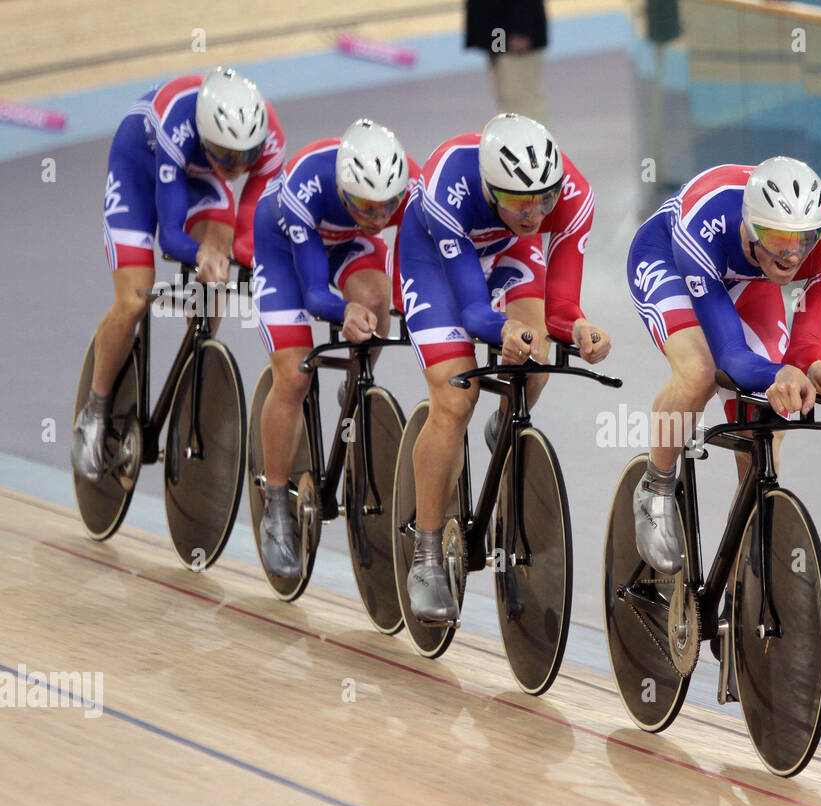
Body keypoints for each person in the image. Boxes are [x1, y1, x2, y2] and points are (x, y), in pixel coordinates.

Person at [396, 111, 610, 622]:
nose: (535, 213)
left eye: (544, 199)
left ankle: (503, 426)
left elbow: (560, 308)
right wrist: (500, 331)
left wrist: (577, 328)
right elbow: (472, 312)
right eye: (519, 201)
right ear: (491, 192)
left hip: (506, 250)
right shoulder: (448, 182)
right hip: (435, 260)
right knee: (454, 398)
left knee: (535, 356)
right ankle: (425, 555)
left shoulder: (573, 199)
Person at [626, 157, 821, 573]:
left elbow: (806, 347)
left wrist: (815, 368)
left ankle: (745, 547)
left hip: (751, 280)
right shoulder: (705, 222)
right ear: (750, 227)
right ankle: (656, 485)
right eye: (777, 238)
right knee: (699, 373)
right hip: (671, 260)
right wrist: (780, 371)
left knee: (767, 415)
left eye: (804, 240)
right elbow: (732, 356)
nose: (791, 257)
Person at [72, 67, 283, 481]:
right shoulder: (177, 121)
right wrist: (199, 253)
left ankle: (197, 359)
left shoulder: (268, 141)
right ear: (205, 135)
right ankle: (94, 410)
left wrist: (246, 264)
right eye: (227, 155)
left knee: (217, 269)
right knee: (134, 299)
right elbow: (169, 236)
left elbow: (247, 238)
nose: (238, 168)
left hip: (198, 179)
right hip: (140, 167)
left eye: (247, 157)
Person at [250, 119, 420, 578]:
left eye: (388, 206)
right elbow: (313, 295)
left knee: (377, 297)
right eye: (366, 206)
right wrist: (343, 311)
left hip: (347, 244)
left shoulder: (405, 189)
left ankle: (355, 387)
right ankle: (276, 507)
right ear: (344, 192)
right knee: (294, 376)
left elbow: (418, 254)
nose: (379, 218)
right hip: (285, 250)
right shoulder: (306, 186)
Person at [464, 0, 549, 123]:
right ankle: (517, 140)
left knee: (523, 101)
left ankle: (535, 141)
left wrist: (521, 29)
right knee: (508, 100)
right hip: (498, 34)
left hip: (514, 34)